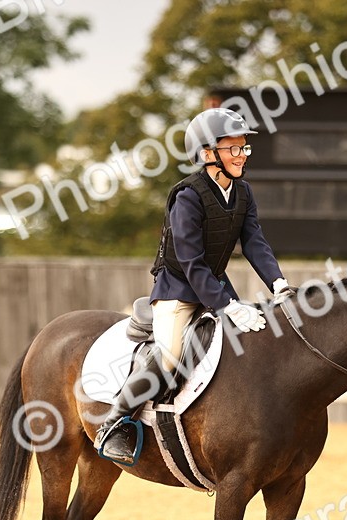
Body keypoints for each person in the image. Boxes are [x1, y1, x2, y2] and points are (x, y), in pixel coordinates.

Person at [94, 107, 297, 465]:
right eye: (232, 148)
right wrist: (227, 305)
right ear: (207, 153)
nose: (241, 155)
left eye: (244, 148)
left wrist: (278, 283)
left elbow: (254, 242)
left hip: (215, 287)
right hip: (178, 291)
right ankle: (115, 422)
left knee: (250, 345)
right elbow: (190, 261)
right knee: (171, 355)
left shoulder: (243, 192)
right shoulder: (188, 196)